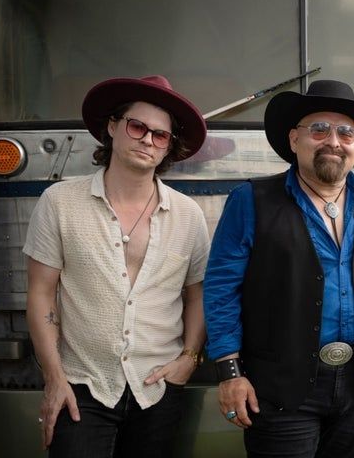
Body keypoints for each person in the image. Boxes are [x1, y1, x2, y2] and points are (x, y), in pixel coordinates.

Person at [203, 79, 354, 458]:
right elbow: (221, 290)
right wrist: (229, 373)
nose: (333, 141)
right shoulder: (250, 200)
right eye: (319, 129)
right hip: (280, 387)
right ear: (294, 139)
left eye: (346, 133)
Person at [25, 76, 210, 457]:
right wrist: (54, 378)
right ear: (112, 126)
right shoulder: (59, 202)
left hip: (158, 387)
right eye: (137, 126)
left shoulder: (188, 215)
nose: (148, 140)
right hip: (82, 385)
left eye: (160, 135)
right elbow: (41, 293)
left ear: (168, 146)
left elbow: (198, 295)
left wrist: (188, 360)